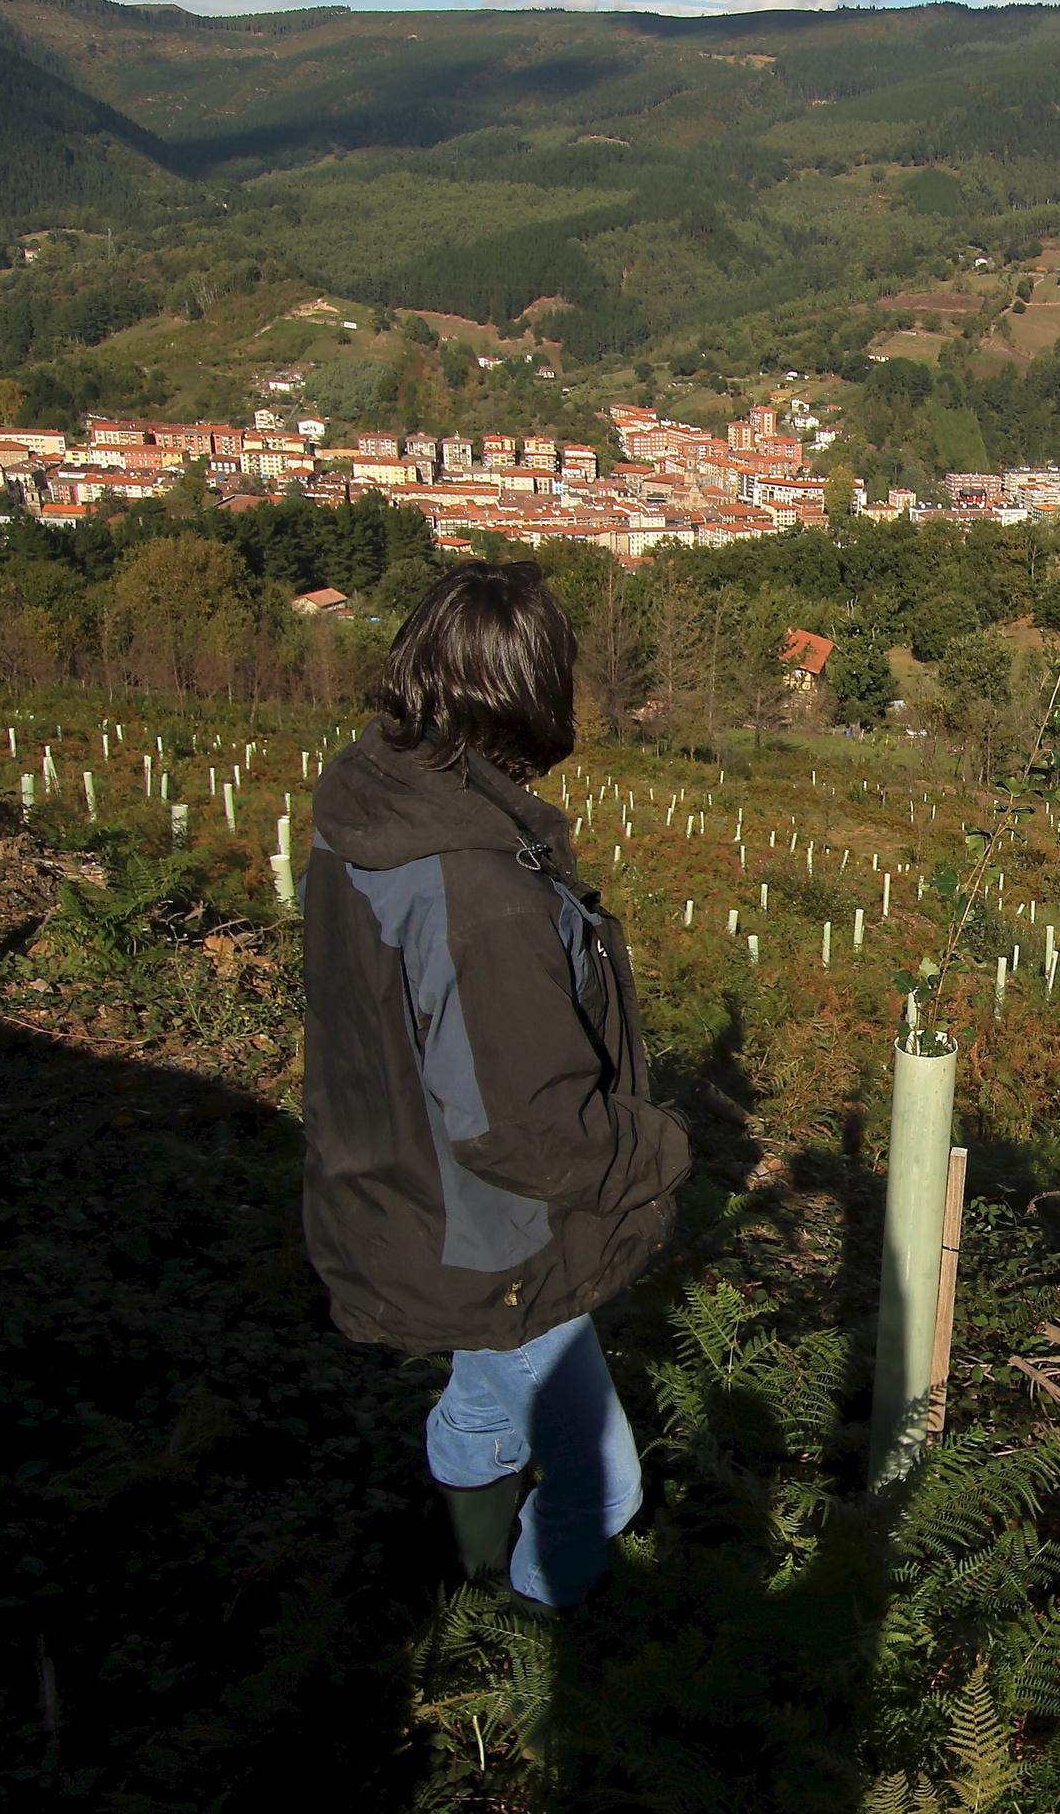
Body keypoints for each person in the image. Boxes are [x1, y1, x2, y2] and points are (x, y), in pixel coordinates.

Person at [299, 560, 691, 1614]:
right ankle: (536, 1643)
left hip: (397, 1183)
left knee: (481, 1392)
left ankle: (464, 1571)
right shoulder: (480, 890)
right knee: (605, 1478)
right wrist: (661, 1147)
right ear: (533, 694)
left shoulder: (374, 800)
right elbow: (527, 1128)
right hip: (489, 1229)